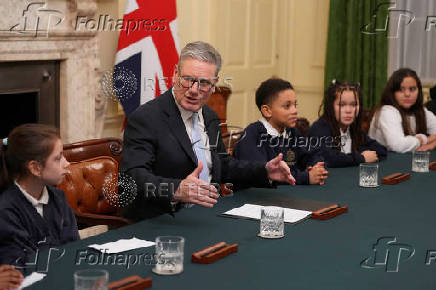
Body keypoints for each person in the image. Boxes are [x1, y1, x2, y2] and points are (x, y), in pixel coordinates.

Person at [121, 41, 296, 221]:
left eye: (203, 83)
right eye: (188, 80)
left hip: (208, 215)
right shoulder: (146, 118)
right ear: (175, 74)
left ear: (214, 85)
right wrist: (176, 189)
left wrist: (264, 171)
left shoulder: (209, 116)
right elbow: (133, 178)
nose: (194, 90)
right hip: (164, 220)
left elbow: (223, 165)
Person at [0, 124, 79, 270]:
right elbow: (23, 264)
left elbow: (73, 247)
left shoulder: (58, 197)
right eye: (58, 158)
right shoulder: (6, 211)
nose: (67, 163)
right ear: (35, 168)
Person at [233, 78, 328, 185]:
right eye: (287, 106)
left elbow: (313, 153)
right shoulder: (251, 136)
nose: (295, 111)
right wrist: (306, 177)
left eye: (295, 105)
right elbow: (265, 175)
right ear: (267, 111)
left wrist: (315, 167)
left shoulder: (292, 133)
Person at [308, 81, 387, 167]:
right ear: (330, 106)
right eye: (342, 105)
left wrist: (359, 154)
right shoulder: (319, 128)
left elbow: (381, 150)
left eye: (353, 105)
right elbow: (328, 158)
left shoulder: (353, 128)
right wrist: (361, 158)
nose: (348, 110)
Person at [369, 68, 436, 152]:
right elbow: (398, 145)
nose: (407, 94)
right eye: (401, 89)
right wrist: (423, 139)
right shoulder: (387, 111)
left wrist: (433, 144)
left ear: (418, 91)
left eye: (412, 89)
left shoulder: (421, 110)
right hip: (382, 163)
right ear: (392, 92)